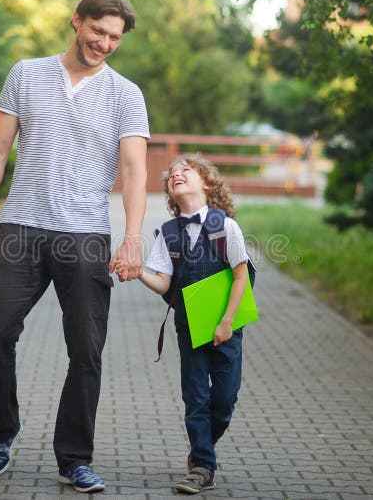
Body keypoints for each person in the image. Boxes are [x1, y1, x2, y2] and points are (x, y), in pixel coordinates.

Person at [0, 0, 149, 493]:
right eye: (98, 31)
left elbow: (135, 172)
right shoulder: (26, 73)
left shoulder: (126, 95)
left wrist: (132, 239)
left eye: (114, 37)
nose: (105, 43)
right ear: (76, 21)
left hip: (86, 234)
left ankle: (74, 459)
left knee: (86, 351)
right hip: (22, 226)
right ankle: (2, 433)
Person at [115, 155, 250, 494]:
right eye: (172, 174)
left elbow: (240, 277)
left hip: (225, 328)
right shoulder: (168, 233)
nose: (176, 175)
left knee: (225, 400)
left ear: (207, 183)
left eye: (185, 171)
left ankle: (202, 447)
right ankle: (203, 466)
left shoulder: (225, 225)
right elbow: (163, 283)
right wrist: (138, 272)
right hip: (188, 326)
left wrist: (227, 322)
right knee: (195, 398)